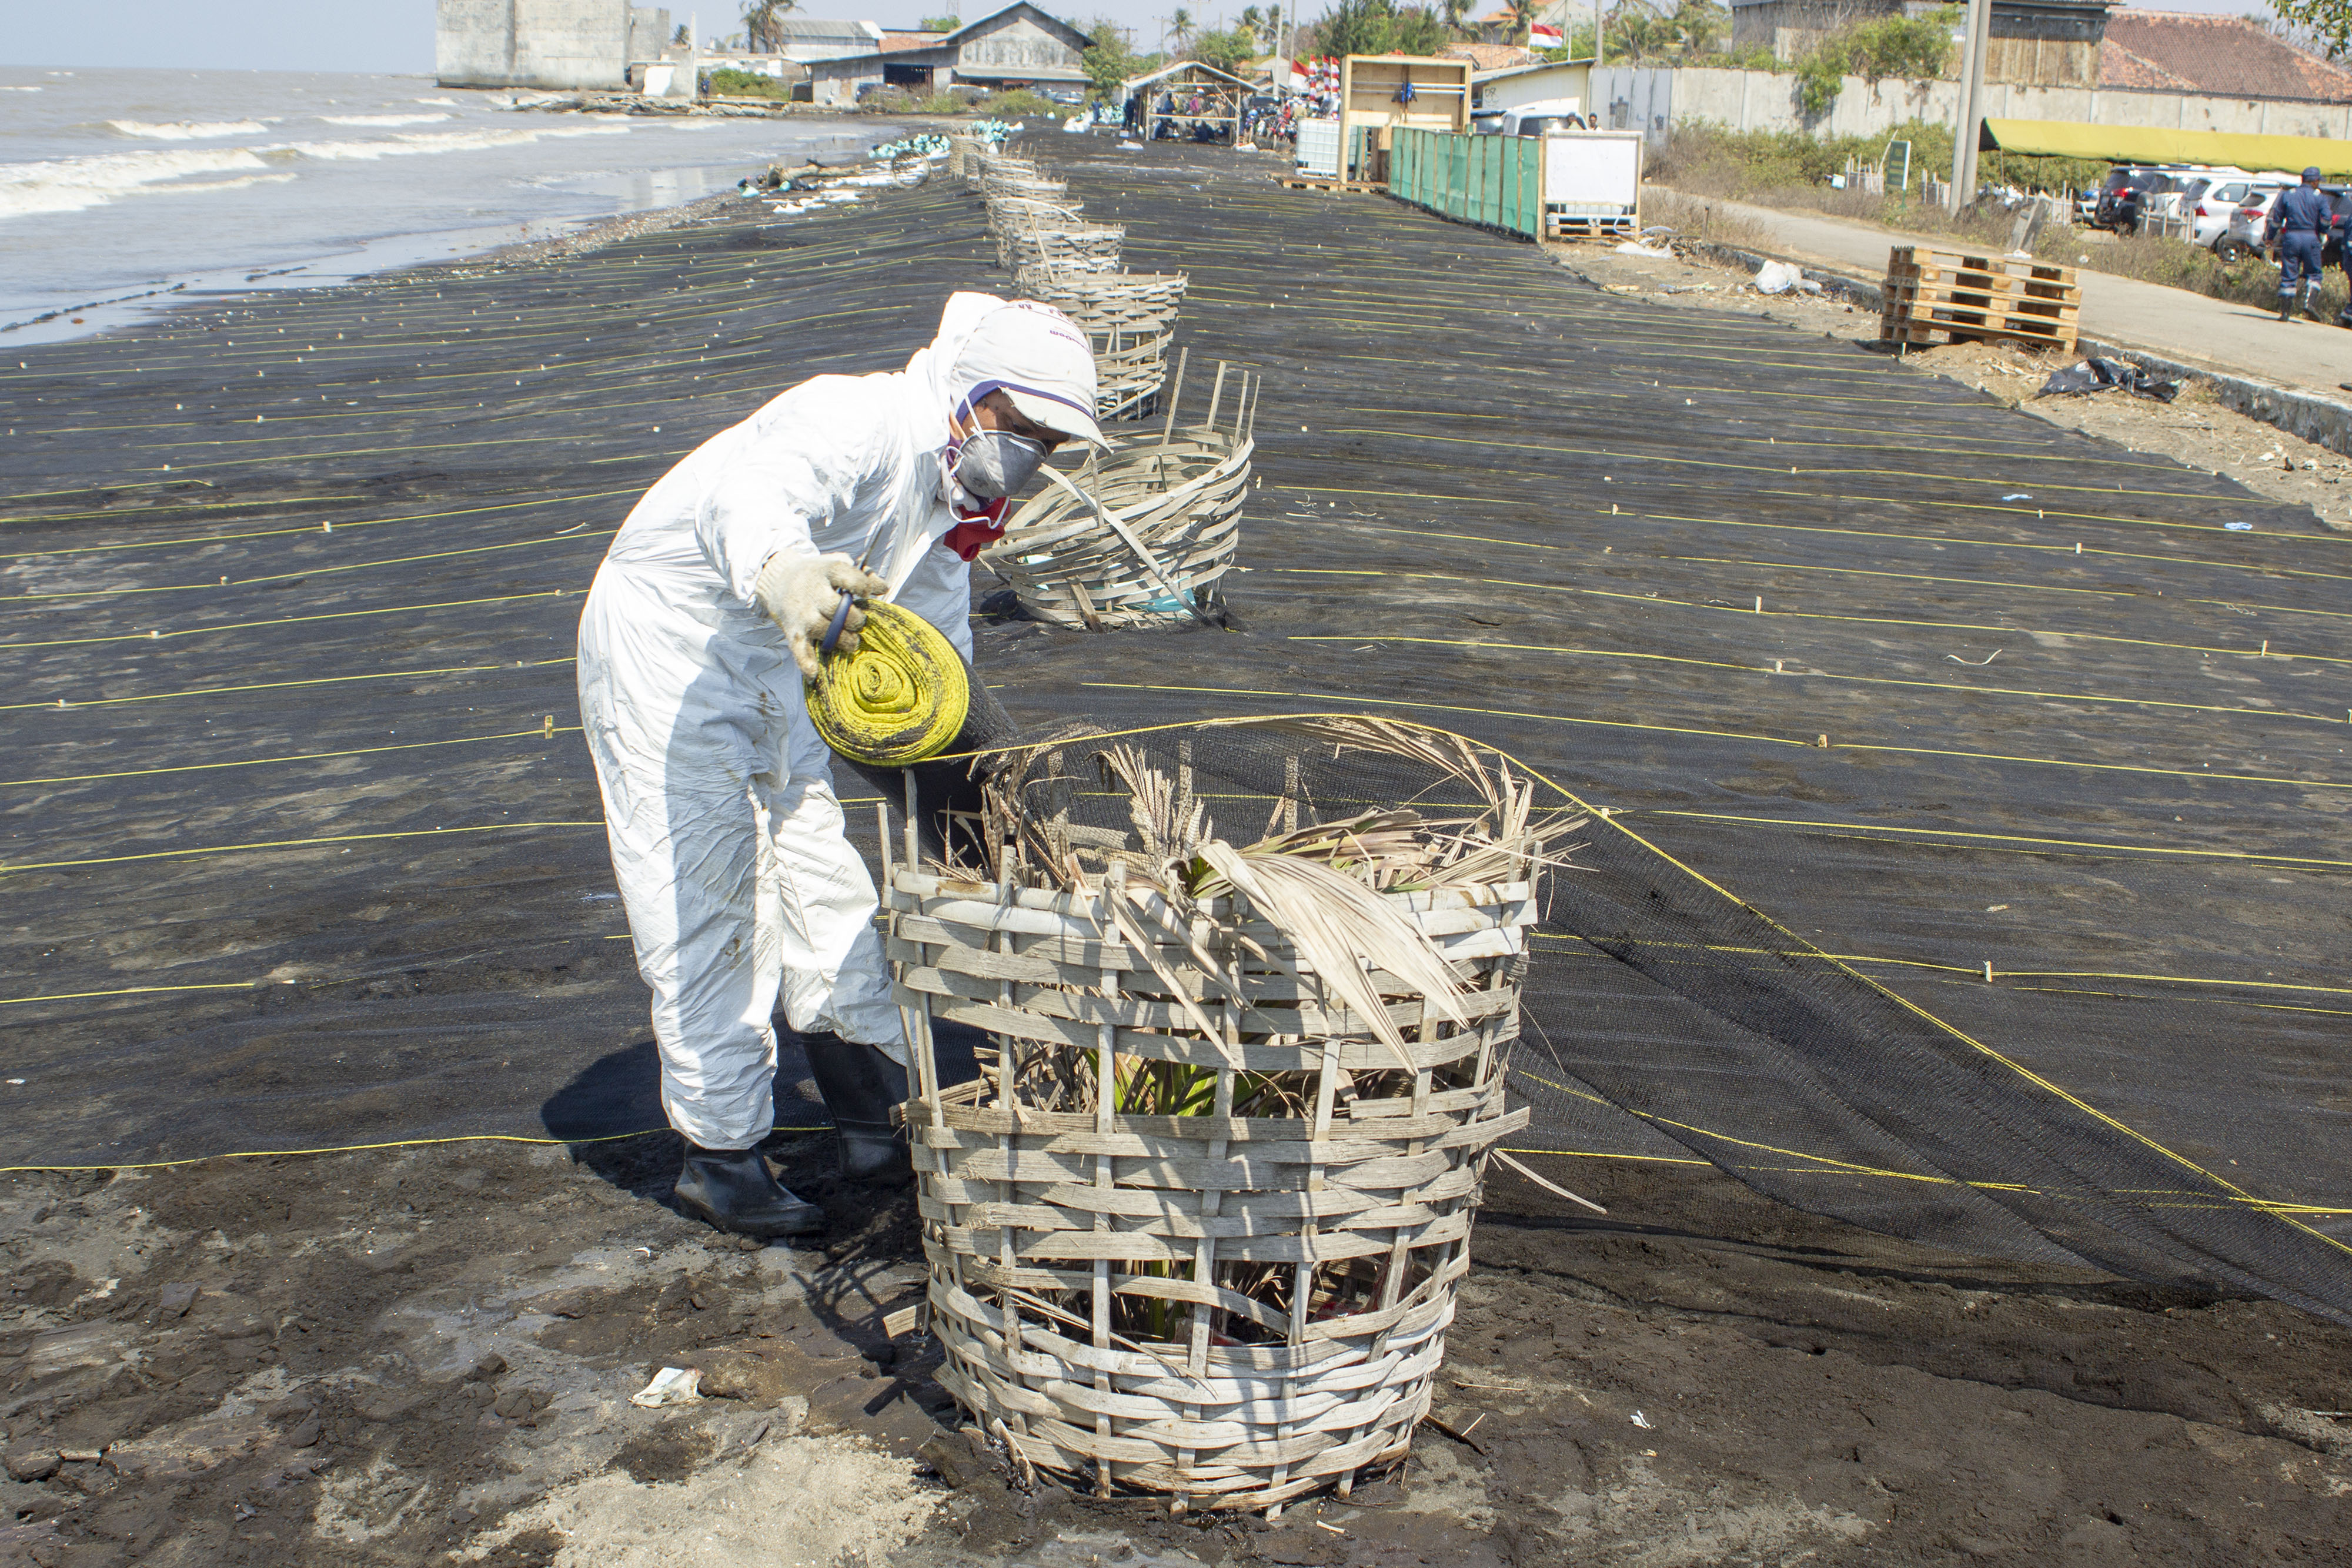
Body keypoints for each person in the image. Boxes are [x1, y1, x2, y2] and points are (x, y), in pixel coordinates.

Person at [575, 294, 1104, 1239]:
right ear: (970, 394)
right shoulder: (856, 419)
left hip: (789, 659)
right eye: (1019, 429)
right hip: (676, 647)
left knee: (821, 874)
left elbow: (935, 653)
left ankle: (870, 1119)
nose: (1027, 456)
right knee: (708, 893)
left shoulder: (949, 498)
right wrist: (783, 570)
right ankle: (723, 1156)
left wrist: (980, 794)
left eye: (1048, 445)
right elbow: (752, 493)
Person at [2266, 166, 2331, 323]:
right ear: (2314, 181)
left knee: (2289, 275)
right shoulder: (2320, 197)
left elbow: (2276, 220)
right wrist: (2322, 232)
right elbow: (2327, 218)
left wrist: (2270, 237)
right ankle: (2309, 303)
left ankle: (2285, 313)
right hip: (2311, 237)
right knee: (2315, 274)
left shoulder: (2288, 195)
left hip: (2291, 237)